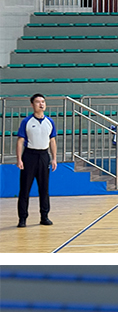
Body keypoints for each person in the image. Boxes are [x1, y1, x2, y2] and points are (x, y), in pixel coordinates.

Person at [16, 93, 57, 228]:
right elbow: (20, 141)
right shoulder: (26, 122)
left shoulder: (49, 122)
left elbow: (52, 141)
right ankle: (22, 218)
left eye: (43, 102)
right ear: (32, 105)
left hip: (44, 156)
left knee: (44, 189)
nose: (41, 104)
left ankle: (44, 216)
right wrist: (19, 159)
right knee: (25, 189)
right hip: (29, 156)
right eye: (38, 102)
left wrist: (54, 159)